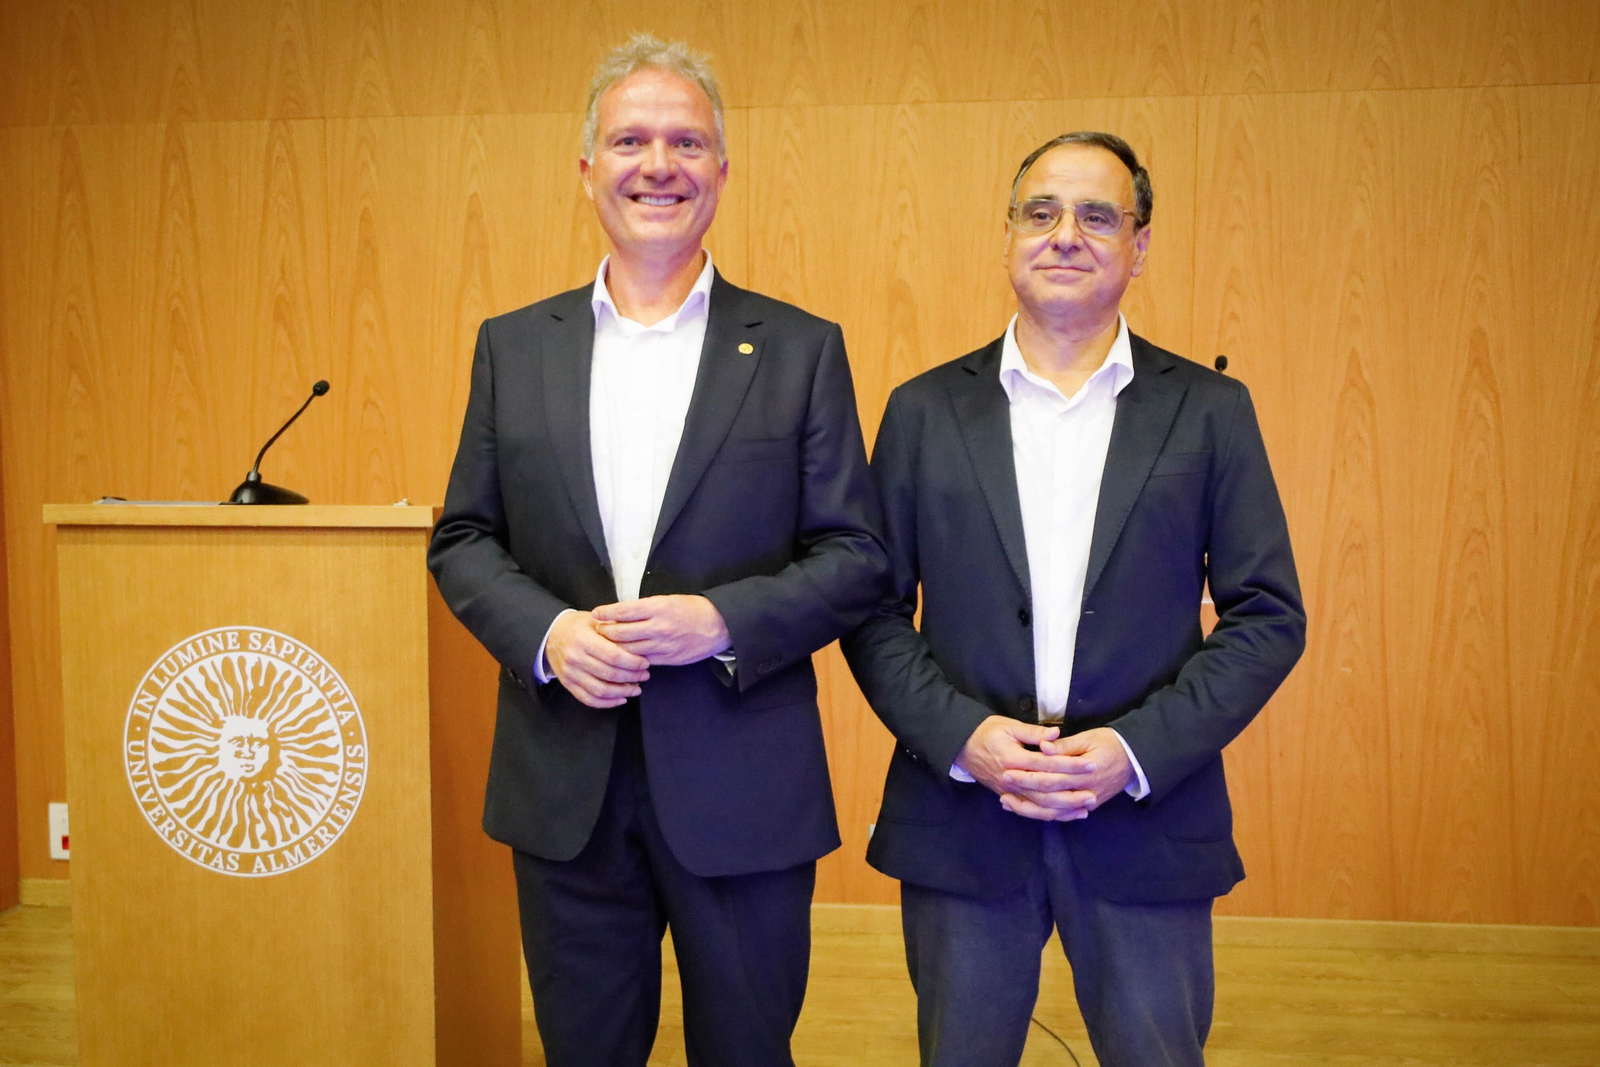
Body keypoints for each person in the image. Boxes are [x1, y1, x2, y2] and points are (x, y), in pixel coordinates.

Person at [427, 34, 887, 1067]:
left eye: (687, 141)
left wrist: (722, 619)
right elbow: (463, 536)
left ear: (721, 169)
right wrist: (544, 630)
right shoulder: (514, 345)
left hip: (743, 787)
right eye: (630, 139)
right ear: (587, 167)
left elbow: (856, 554)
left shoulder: (800, 347)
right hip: (563, 791)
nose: (659, 165)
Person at [842, 131, 1306, 1067]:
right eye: (1041, 212)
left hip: (1145, 821)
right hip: (963, 821)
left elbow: (1267, 615)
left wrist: (1135, 749)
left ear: (1139, 245)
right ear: (1007, 235)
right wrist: (963, 738)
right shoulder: (923, 410)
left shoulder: (1210, 411)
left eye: (1099, 215)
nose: (1066, 234)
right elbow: (871, 608)